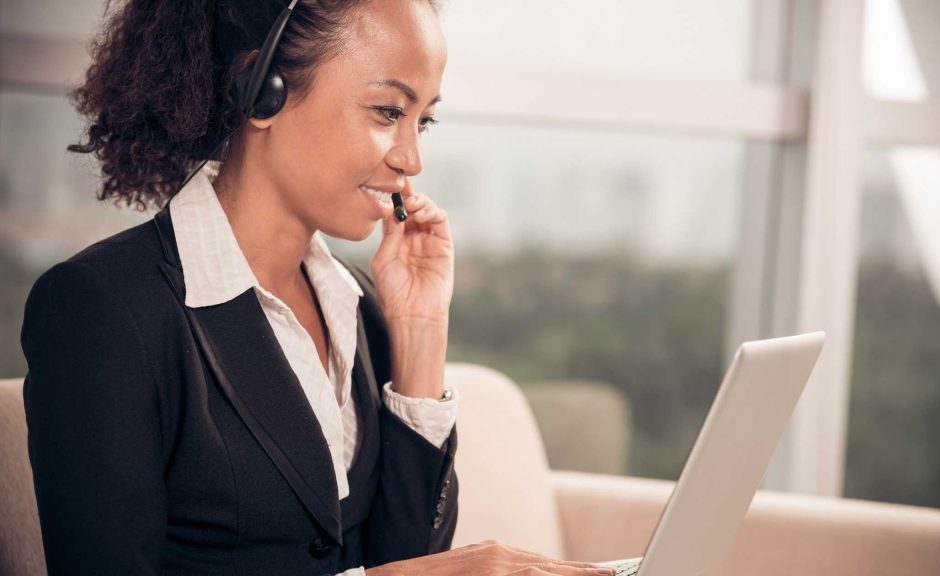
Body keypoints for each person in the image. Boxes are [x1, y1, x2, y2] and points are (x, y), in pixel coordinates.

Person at [19, 0, 616, 575]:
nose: (413, 157)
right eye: (388, 112)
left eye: (424, 120)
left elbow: (408, 553)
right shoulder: (101, 310)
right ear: (263, 92)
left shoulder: (357, 303)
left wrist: (420, 333)